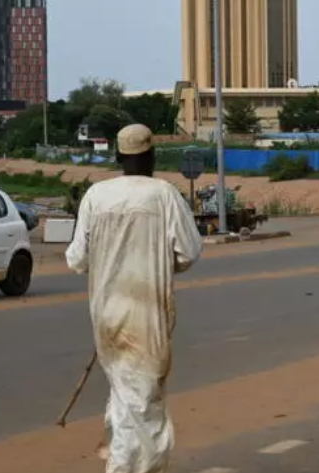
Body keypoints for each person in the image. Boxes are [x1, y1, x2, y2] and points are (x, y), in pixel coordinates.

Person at [66, 124, 204, 473]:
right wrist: (157, 258)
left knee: (125, 393)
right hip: (147, 315)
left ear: (118, 157)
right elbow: (188, 252)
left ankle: (121, 460)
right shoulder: (164, 194)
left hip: (106, 314)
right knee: (144, 402)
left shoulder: (96, 195)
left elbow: (77, 259)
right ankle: (130, 468)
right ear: (152, 156)